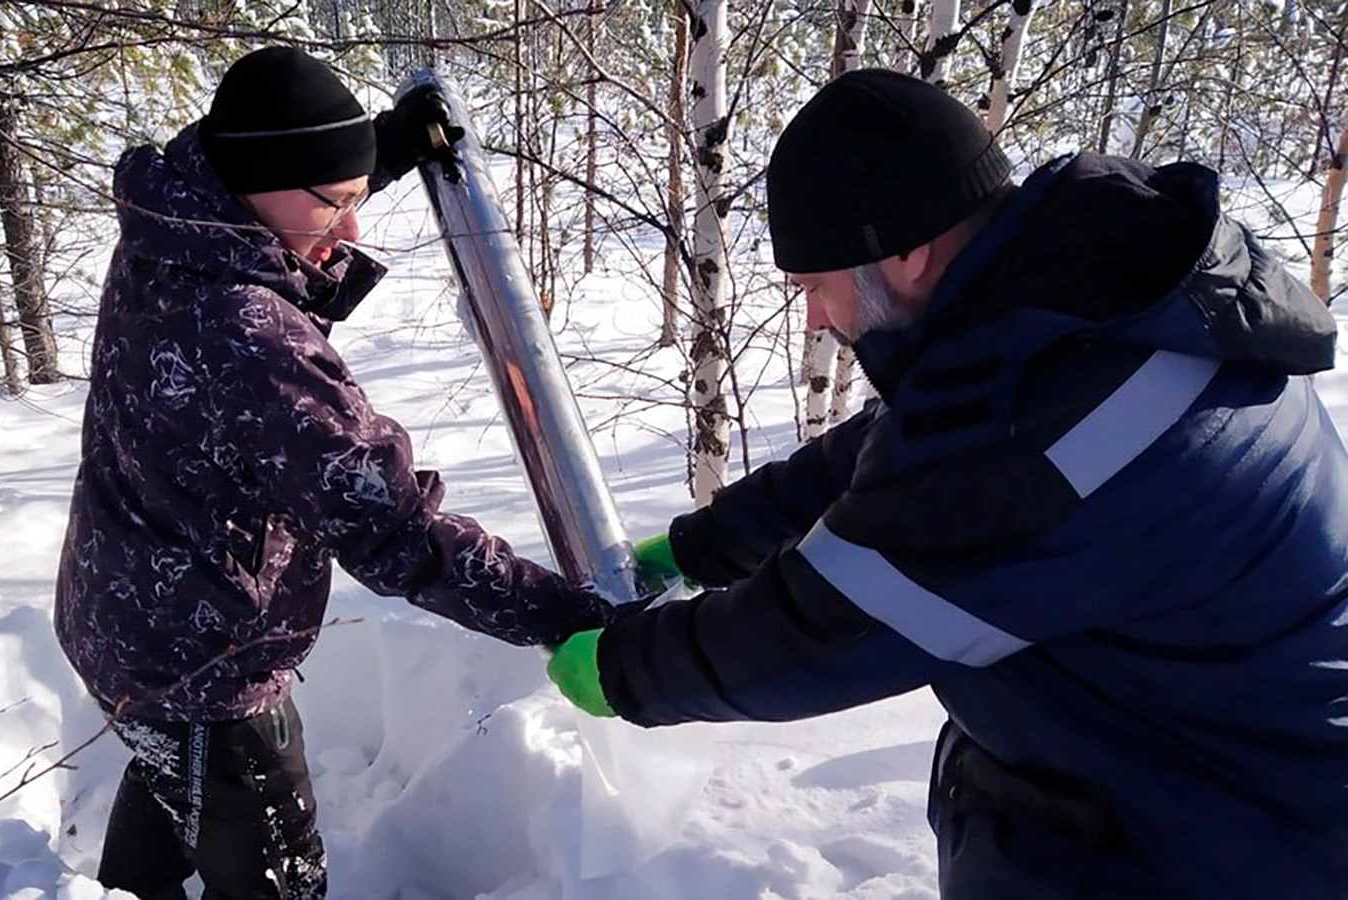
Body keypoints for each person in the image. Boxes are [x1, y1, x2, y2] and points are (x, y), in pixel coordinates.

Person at [547, 68, 1348, 898]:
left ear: (905, 250)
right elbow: (898, 448)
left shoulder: (1050, 443)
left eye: (816, 287)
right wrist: (702, 546)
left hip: (1213, 844)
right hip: (1187, 778)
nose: (816, 319)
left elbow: (823, 629)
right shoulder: (1097, 302)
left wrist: (622, 670)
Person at [54, 46, 613, 900]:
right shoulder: (250, 338)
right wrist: (570, 612)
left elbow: (283, 169)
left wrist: (376, 151)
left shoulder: (175, 223)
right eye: (336, 204)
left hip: (120, 616)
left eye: (356, 197)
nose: (350, 230)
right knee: (272, 870)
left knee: (176, 781)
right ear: (267, 183)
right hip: (206, 667)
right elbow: (396, 531)